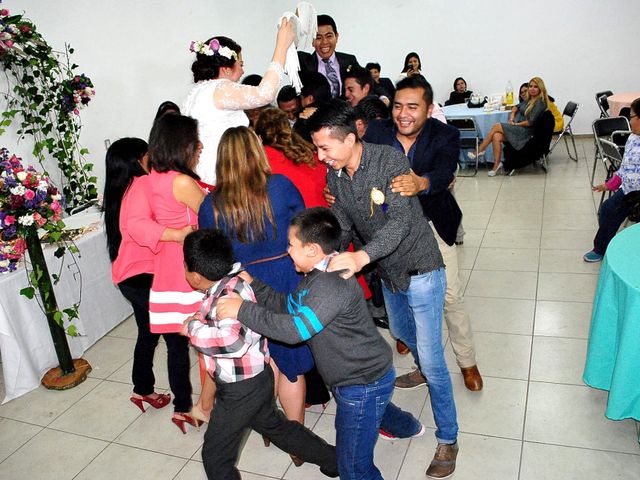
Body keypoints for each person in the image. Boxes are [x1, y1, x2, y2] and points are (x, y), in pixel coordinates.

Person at [306, 100, 459, 479]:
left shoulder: (388, 160)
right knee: (403, 335)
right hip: (390, 273)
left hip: (422, 269)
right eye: (317, 149)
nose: (321, 157)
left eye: (325, 148)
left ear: (351, 137)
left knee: (432, 358)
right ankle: (423, 368)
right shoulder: (336, 178)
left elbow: (401, 224)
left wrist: (359, 259)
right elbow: (342, 227)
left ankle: (449, 438)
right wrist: (322, 252)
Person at [216, 207, 423, 480]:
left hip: (361, 382)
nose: (287, 250)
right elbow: (288, 306)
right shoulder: (314, 276)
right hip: (363, 374)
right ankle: (409, 427)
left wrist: (242, 310)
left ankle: (397, 429)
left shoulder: (329, 286)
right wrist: (255, 284)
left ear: (312, 249)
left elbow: (294, 331)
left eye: (291, 245)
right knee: (377, 408)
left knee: (352, 467)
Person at [181, 229, 338, 480]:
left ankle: (333, 458)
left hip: (240, 388)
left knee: (215, 456)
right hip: (256, 378)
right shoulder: (235, 282)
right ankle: (333, 459)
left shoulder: (225, 298)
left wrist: (193, 328)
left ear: (196, 276)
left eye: (184, 266)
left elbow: (231, 342)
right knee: (276, 427)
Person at [363, 75, 483, 392]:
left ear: (429, 109)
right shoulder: (377, 132)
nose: (404, 113)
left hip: (433, 222)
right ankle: (420, 361)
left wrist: (422, 183)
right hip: (390, 227)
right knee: (402, 296)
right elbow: (358, 168)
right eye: (398, 106)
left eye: (413, 107)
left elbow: (445, 172)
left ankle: (467, 362)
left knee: (450, 296)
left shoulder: (445, 134)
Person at [198, 126, 313, 435]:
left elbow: (213, 256)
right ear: (257, 150)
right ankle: (296, 441)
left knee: (259, 360)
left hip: (240, 288)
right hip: (285, 276)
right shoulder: (280, 186)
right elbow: (305, 228)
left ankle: (269, 425)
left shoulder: (210, 205)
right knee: (290, 366)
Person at [105, 138, 195, 421]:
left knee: (148, 333)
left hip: (129, 276)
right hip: (144, 277)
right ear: (138, 160)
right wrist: (179, 233)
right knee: (176, 339)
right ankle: (183, 407)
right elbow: (140, 226)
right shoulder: (143, 184)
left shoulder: (119, 189)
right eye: (148, 154)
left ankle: (142, 388)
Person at [127, 114, 205, 433]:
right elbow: (213, 214)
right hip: (190, 263)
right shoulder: (182, 181)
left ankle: (182, 407)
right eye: (195, 142)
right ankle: (203, 404)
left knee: (176, 343)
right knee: (204, 338)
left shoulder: (152, 177)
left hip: (167, 264)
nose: (199, 147)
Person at [182, 19, 295, 185]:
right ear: (226, 68)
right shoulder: (220, 88)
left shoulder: (196, 92)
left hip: (200, 173)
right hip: (221, 175)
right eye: (240, 64)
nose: (243, 70)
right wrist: (281, 46)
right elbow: (265, 93)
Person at [584, 97, 640, 262]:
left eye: (632, 117)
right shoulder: (633, 138)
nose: (630, 121)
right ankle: (601, 248)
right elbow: (625, 167)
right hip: (629, 189)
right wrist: (610, 184)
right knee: (607, 209)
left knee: (616, 210)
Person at [468, 76, 549, 176]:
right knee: (496, 135)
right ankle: (496, 165)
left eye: (535, 87)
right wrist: (511, 116)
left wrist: (515, 123)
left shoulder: (539, 103)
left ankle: (481, 149)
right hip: (520, 129)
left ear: (540, 89)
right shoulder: (529, 100)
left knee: (497, 126)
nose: (532, 89)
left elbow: (530, 122)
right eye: (530, 86)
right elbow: (517, 106)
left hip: (527, 132)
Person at [255, 107, 327, 208]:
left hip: (297, 220)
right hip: (327, 217)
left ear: (259, 138)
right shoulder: (314, 154)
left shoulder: (259, 164)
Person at [297, 14, 360, 98]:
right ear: (312, 41)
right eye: (318, 37)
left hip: (346, 109)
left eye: (329, 36)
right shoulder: (303, 62)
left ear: (336, 37)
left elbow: (367, 81)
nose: (324, 42)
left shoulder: (349, 60)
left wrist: (383, 97)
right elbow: (285, 52)